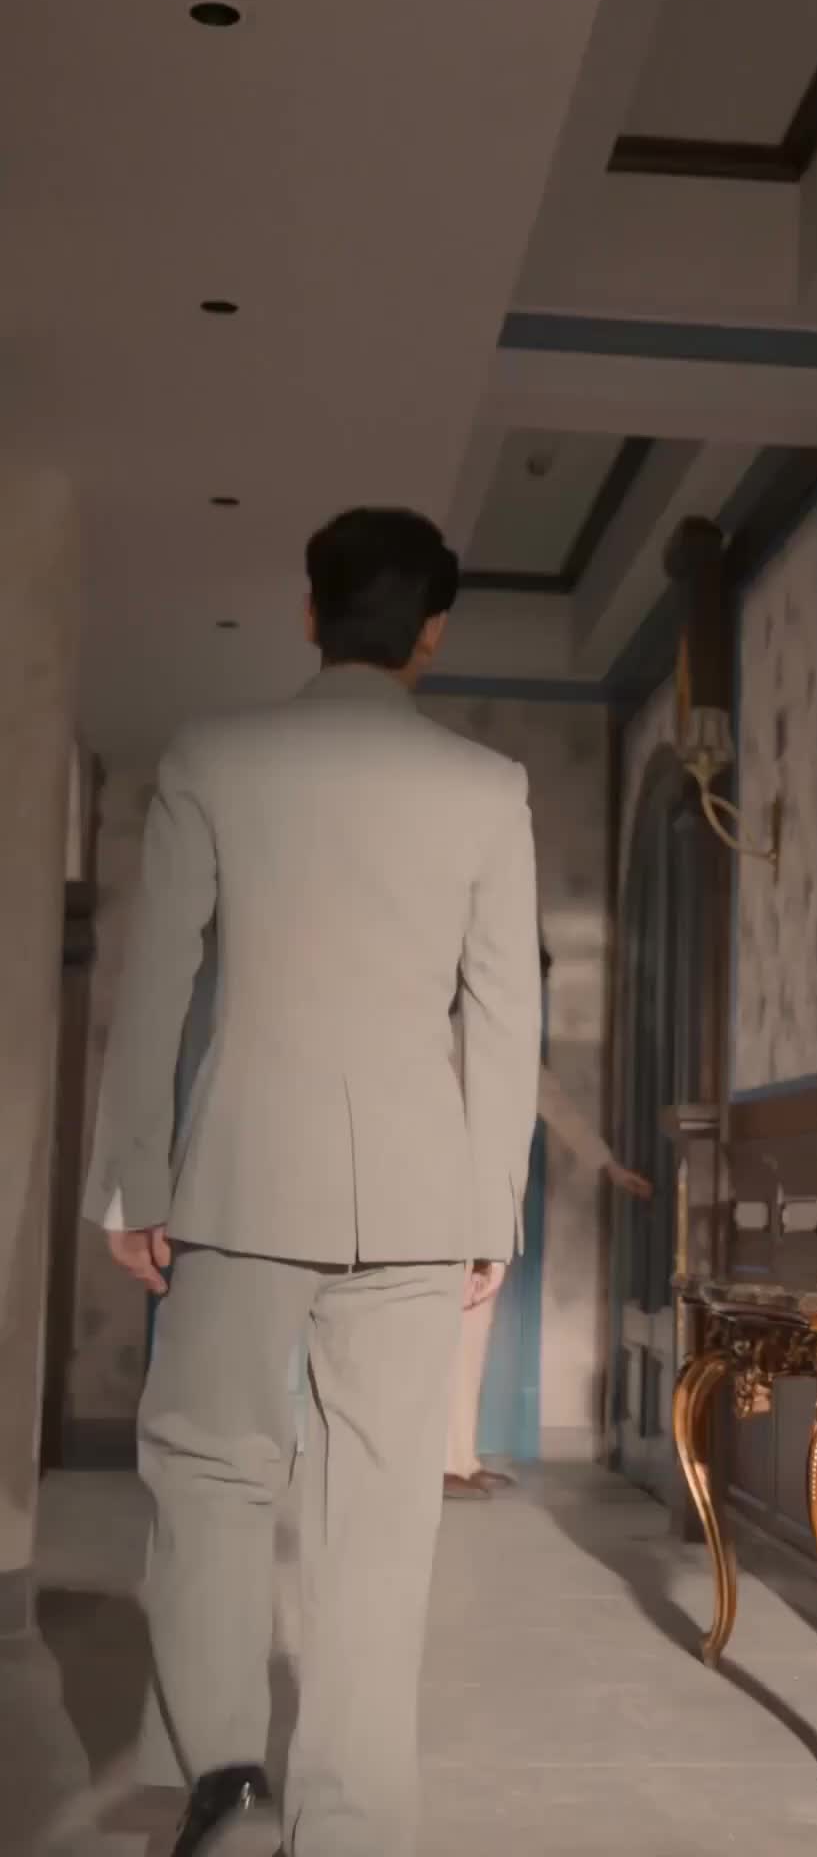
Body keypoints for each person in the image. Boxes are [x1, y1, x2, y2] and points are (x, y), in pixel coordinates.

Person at [82, 508, 541, 1857]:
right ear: (432, 635)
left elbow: (158, 983)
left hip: (238, 1179)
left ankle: (224, 1786)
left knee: (210, 1476)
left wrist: (135, 1181)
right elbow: (502, 1014)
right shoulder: (488, 787)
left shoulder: (214, 756)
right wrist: (491, 1207)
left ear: (307, 613)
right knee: (382, 1512)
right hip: (418, 1194)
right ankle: (350, 1825)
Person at [444, 943, 651, 1499]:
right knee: (449, 1332)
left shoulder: (506, 1039)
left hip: (489, 1203)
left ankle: (460, 1457)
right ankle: (441, 1460)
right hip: (448, 1202)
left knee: (474, 1330)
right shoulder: (454, 1032)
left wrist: (608, 1166)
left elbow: (555, 1103)